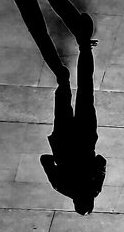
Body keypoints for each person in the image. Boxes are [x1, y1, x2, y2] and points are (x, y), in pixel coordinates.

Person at [40, 38, 106, 214]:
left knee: (86, 91)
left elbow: (101, 161)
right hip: (64, 141)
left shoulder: (95, 189)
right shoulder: (61, 186)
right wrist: (62, 162)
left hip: (86, 137)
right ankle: (63, 79)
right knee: (63, 101)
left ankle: (85, 49)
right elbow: (45, 160)